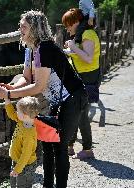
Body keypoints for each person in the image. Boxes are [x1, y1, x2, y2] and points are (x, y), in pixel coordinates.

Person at [0, 10, 89, 188]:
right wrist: (12, 87)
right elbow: (27, 78)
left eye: (24, 26)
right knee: (47, 145)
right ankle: (47, 185)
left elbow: (38, 86)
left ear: (35, 28)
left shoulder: (44, 48)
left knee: (59, 147)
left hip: (73, 98)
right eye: (20, 25)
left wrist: (8, 96)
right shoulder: (31, 49)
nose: (20, 29)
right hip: (56, 101)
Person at [63, 8, 100, 159]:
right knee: (75, 111)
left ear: (77, 22)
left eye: (69, 24)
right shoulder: (81, 35)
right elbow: (81, 55)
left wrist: (72, 48)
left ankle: (87, 149)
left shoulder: (88, 34)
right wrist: (71, 50)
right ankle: (70, 146)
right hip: (81, 77)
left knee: (81, 113)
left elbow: (89, 58)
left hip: (88, 78)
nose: (67, 28)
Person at [0, 96, 39, 187]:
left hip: (25, 165)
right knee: (14, 184)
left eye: (18, 111)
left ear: (24, 115)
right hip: (17, 161)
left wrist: (17, 169)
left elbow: (26, 154)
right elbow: (11, 114)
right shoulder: (22, 121)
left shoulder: (28, 134)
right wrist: (7, 101)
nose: (16, 113)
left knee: (22, 185)